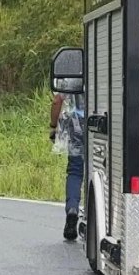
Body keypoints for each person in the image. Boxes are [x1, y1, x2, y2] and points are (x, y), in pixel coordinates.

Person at [51, 92, 85, 241]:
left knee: (75, 172)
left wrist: (53, 127)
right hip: (104, 123)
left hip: (76, 127)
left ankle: (72, 208)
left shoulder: (72, 73)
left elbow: (57, 100)